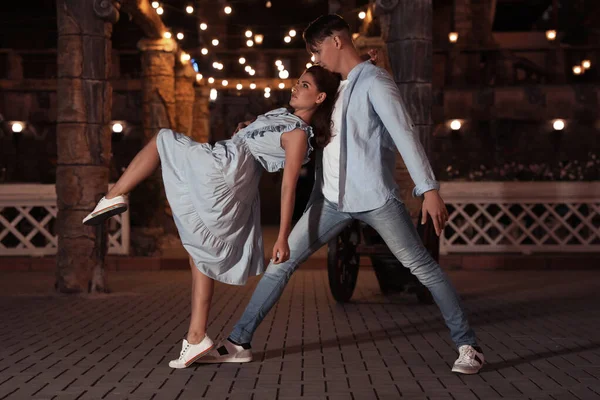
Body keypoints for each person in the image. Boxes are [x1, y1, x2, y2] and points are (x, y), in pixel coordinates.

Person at [197, 14, 485, 375]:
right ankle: (240, 342)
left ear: (337, 41)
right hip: (329, 201)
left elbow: (404, 134)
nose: (315, 59)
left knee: (421, 267)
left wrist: (428, 189)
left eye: (317, 50)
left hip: (376, 199)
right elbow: (298, 114)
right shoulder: (338, 84)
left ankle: (468, 345)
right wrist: (254, 129)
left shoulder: (376, 83)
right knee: (281, 264)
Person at [81, 65, 341, 369]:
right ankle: (196, 337)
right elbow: (258, 136)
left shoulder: (299, 135)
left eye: (305, 85)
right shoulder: (283, 116)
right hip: (227, 163)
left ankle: (114, 196)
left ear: (320, 97)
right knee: (199, 251)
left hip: (227, 171)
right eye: (298, 81)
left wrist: (283, 236)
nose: (296, 87)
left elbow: (288, 187)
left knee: (163, 139)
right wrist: (248, 126)